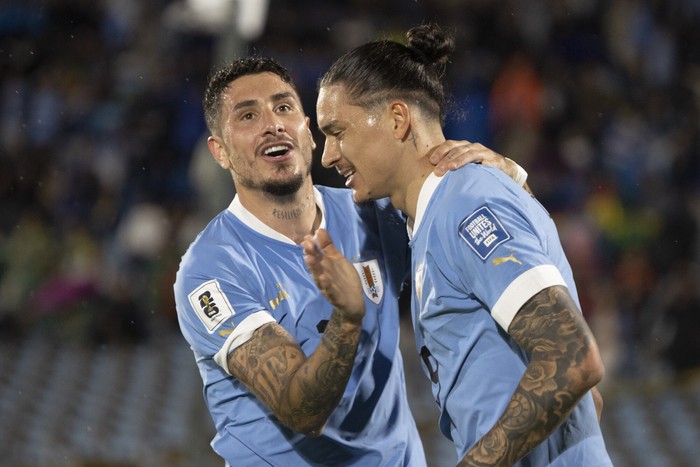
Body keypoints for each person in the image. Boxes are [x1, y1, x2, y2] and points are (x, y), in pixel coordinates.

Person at [173, 56, 527, 466]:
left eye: (284, 107)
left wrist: (510, 178)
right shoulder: (211, 269)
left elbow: (496, 244)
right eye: (248, 115)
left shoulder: (374, 213)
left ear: (308, 131)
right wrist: (347, 317)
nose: (273, 124)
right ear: (220, 152)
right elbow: (302, 409)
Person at [308, 23, 612, 466]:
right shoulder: (443, 211)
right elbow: (590, 401)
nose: (328, 155)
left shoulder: (465, 204)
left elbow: (572, 356)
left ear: (397, 118)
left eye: (338, 131)